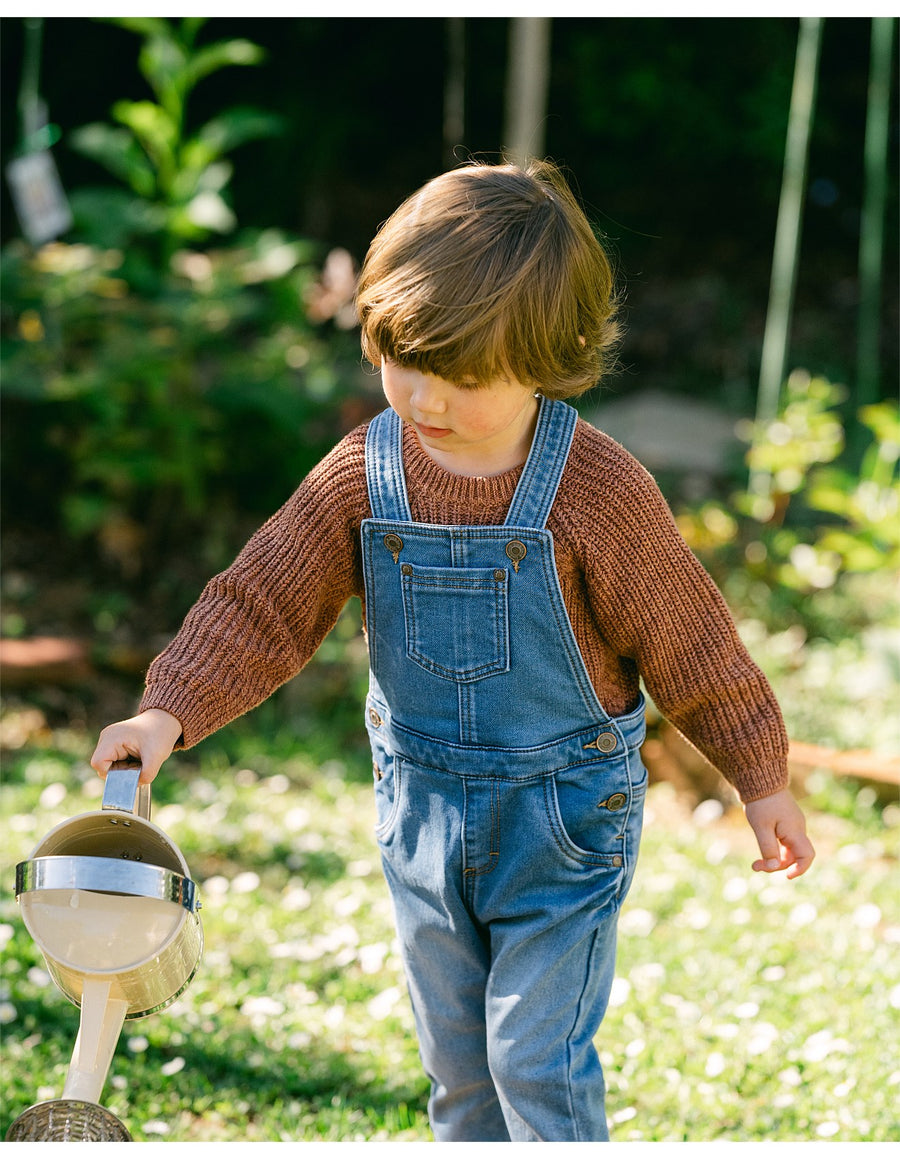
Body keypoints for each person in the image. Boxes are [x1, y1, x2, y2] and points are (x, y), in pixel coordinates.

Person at [91, 159, 815, 1142]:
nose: (424, 397)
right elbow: (263, 602)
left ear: (543, 358)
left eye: (462, 375)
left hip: (561, 826)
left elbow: (691, 642)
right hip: (422, 819)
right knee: (461, 1071)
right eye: (403, 359)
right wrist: (165, 710)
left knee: (534, 1059)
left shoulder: (595, 490)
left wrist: (759, 774)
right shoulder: (365, 471)